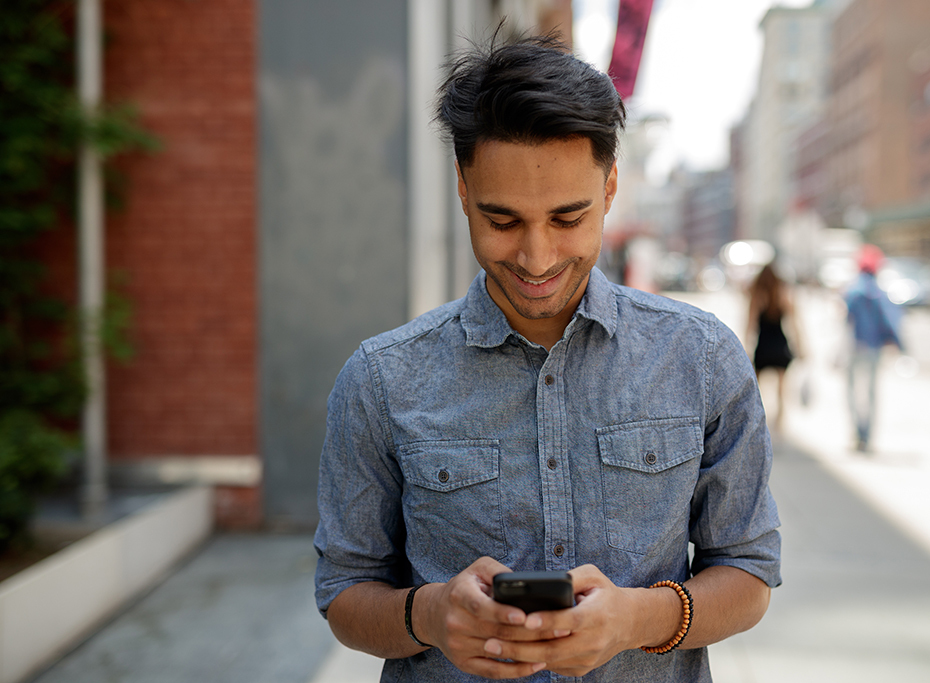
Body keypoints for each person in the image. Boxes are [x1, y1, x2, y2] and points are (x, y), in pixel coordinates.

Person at [314, 33, 781, 682]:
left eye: (568, 218)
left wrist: (633, 619)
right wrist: (428, 614)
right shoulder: (380, 379)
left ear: (611, 187)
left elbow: (749, 573)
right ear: (462, 188)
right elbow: (344, 591)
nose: (536, 258)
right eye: (502, 220)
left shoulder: (701, 358)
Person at [844, 244, 902, 452]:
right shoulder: (879, 293)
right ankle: (867, 435)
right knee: (871, 392)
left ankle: (857, 432)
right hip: (874, 347)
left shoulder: (852, 290)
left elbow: (846, 320)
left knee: (852, 391)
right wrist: (896, 342)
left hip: (855, 346)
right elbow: (889, 320)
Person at [746, 261, 799, 429]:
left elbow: (750, 324)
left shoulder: (757, 297)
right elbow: (795, 323)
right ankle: (780, 421)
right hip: (780, 345)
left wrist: (746, 348)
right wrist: (800, 345)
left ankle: (758, 420)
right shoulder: (782, 296)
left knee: (757, 389)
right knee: (782, 388)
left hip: (763, 346)